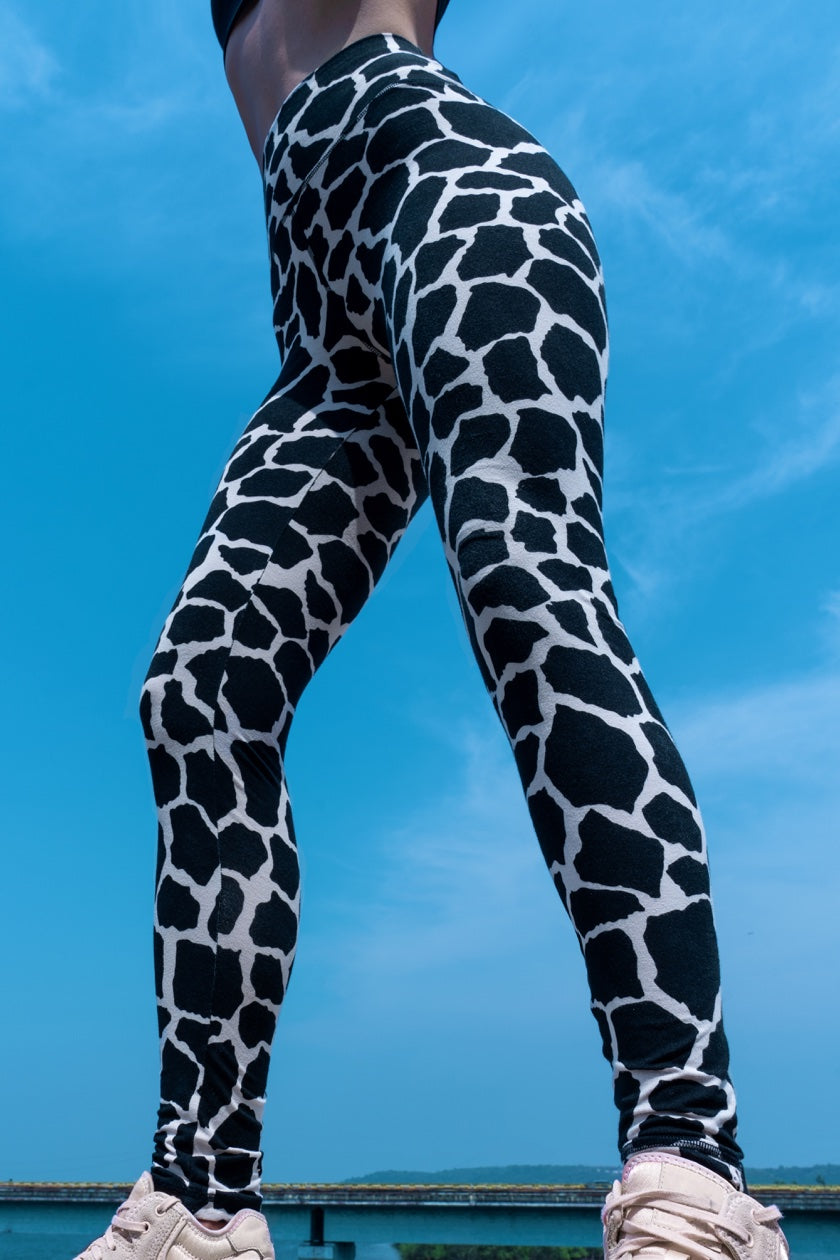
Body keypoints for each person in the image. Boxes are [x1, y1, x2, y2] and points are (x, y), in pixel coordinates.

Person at [75, 2, 791, 1258]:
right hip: (320, 328)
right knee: (199, 690)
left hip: (452, 191)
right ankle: (201, 1200)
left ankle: (694, 1163)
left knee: (528, 581)